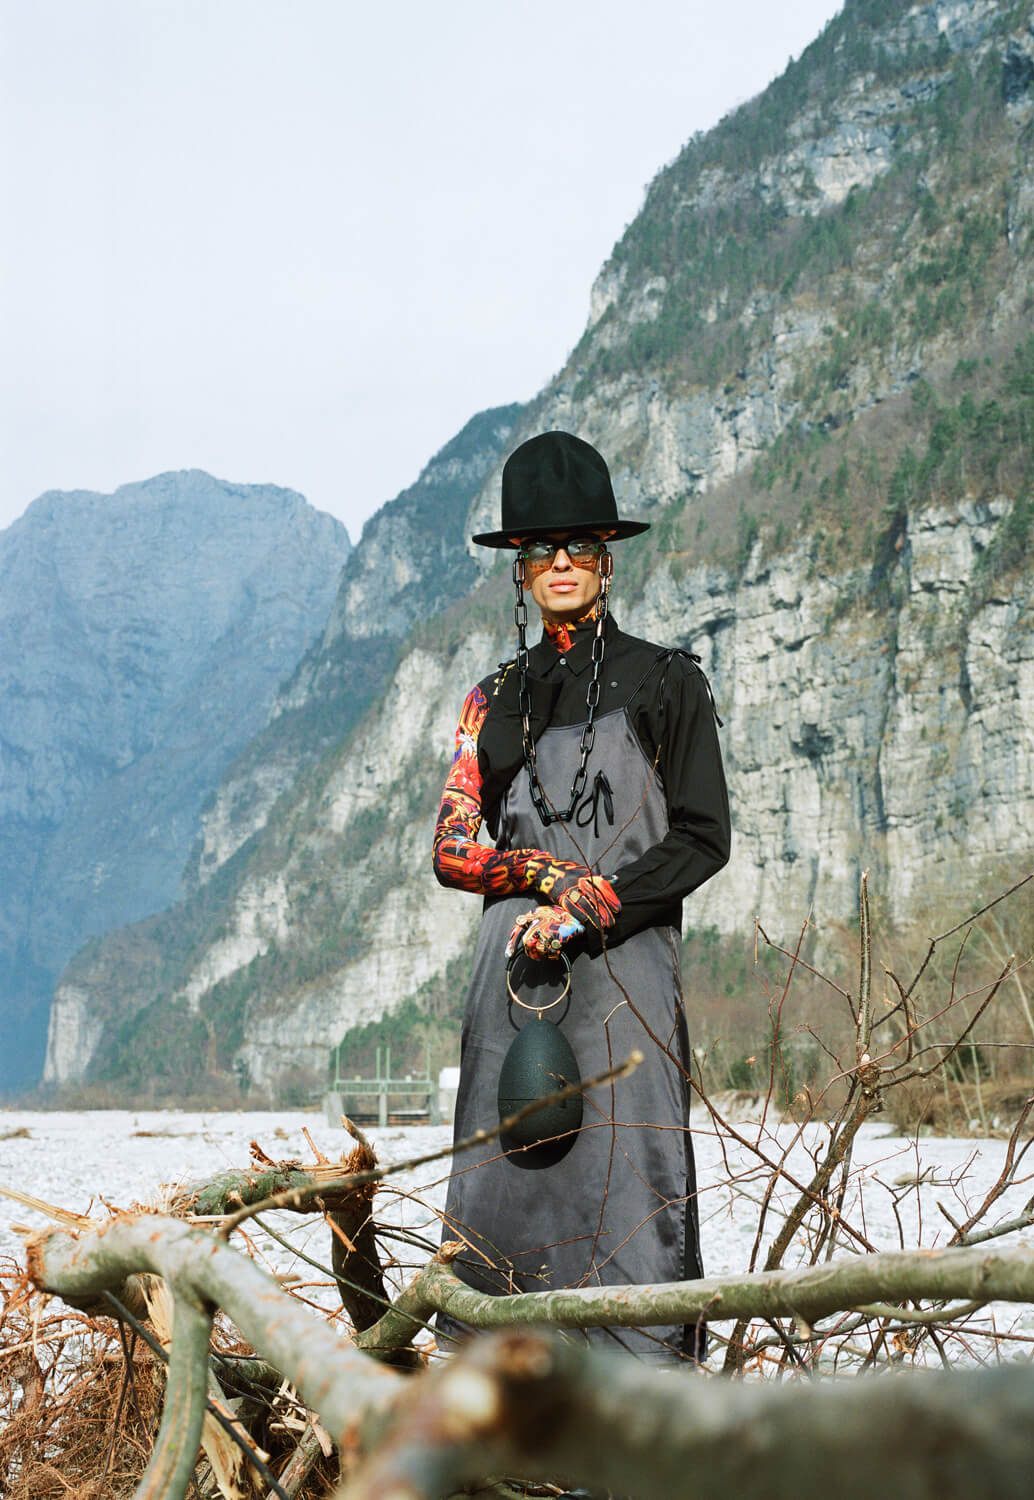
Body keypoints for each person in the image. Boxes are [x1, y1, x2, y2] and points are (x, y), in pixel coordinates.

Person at [431, 430, 730, 1360]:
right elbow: (450, 850)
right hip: (511, 980)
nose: (560, 563)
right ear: (518, 570)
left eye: (578, 545)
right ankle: (489, 1388)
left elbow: (703, 838)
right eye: (539, 549)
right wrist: (541, 876)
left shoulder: (668, 682)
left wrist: (591, 905)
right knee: (499, 1187)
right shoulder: (489, 700)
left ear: (606, 557)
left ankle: (641, 1399)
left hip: (624, 973)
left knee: (632, 1176)